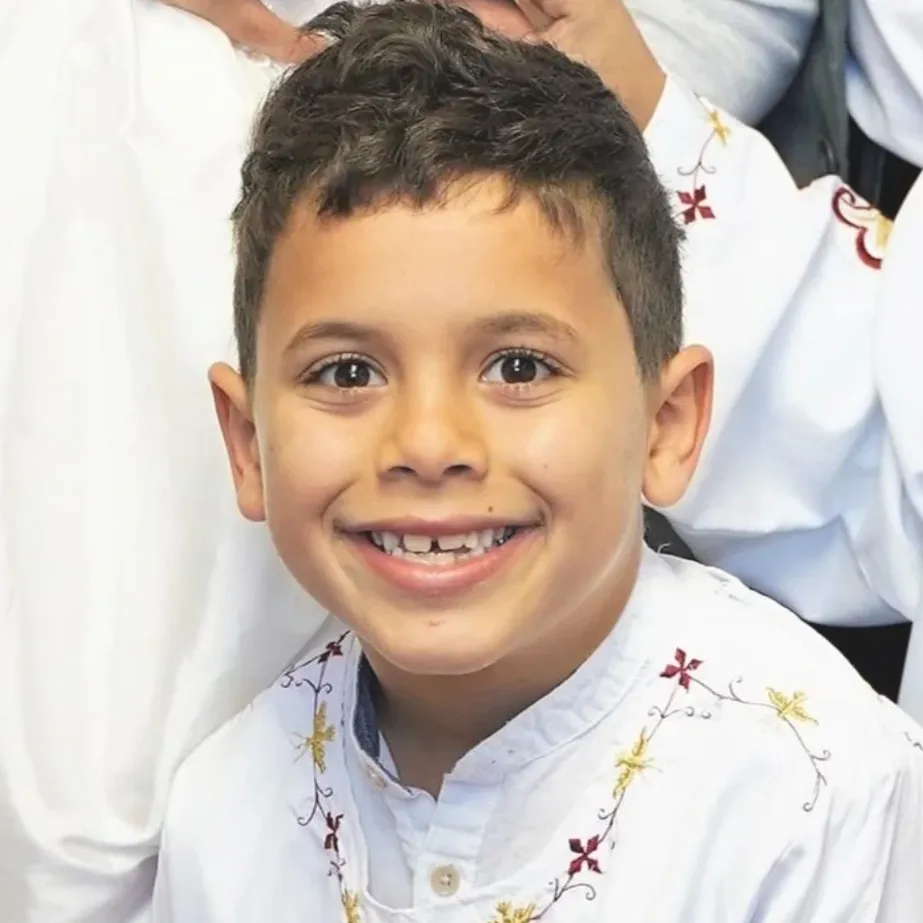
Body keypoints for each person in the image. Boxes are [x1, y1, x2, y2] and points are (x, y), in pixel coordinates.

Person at [151, 4, 923, 921]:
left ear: (665, 423)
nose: (428, 445)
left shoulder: (815, 799)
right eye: (347, 372)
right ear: (248, 445)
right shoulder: (223, 814)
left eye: (518, 367)